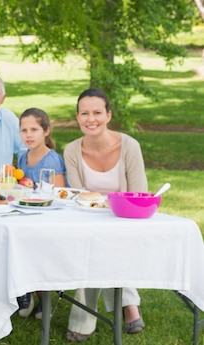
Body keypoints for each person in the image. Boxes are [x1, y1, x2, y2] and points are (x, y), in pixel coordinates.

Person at [63, 88, 147, 342]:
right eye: (85, 113)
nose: (91, 119)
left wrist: (112, 210)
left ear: (108, 115)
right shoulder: (71, 150)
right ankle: (128, 304)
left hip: (126, 220)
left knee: (106, 245)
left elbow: (139, 194)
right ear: (77, 117)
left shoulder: (129, 146)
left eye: (97, 112)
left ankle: (83, 319)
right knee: (93, 244)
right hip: (87, 221)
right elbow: (79, 197)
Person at [16, 107, 67, 318]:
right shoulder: (21, 157)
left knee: (35, 245)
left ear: (46, 131)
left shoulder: (52, 160)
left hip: (48, 217)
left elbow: (59, 195)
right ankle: (24, 291)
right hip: (24, 214)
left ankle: (43, 296)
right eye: (24, 130)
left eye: (34, 129)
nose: (28, 135)